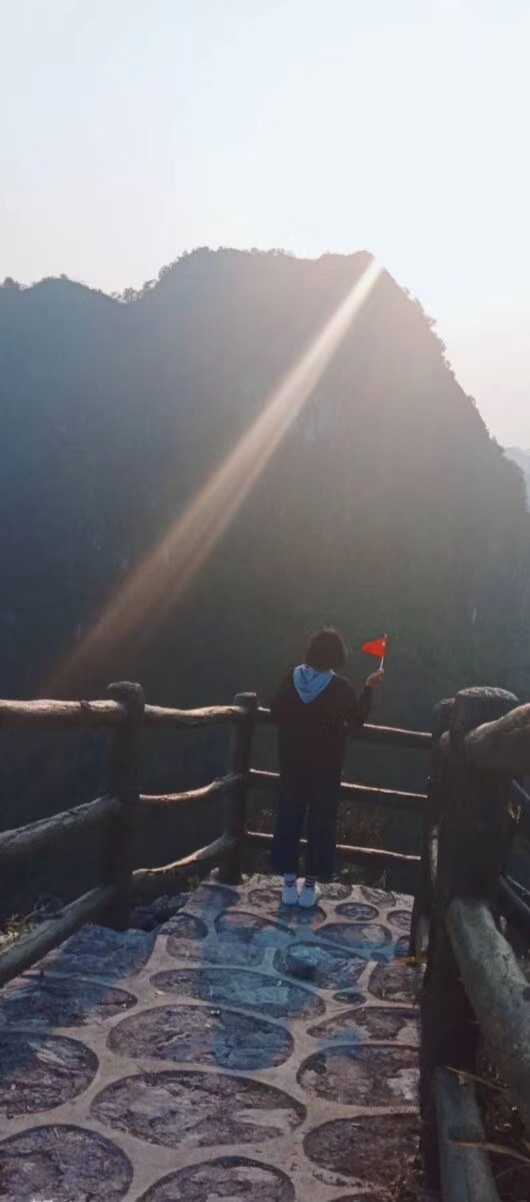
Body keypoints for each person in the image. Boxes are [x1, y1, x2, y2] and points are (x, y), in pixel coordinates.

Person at [270, 626, 384, 908]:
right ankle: (309, 889)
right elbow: (356, 720)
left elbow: (275, 710)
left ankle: (288, 885)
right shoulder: (340, 688)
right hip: (325, 768)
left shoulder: (291, 678)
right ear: (337, 656)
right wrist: (369, 687)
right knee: (321, 823)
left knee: (289, 818)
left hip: (291, 765)